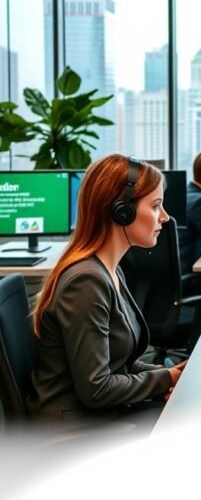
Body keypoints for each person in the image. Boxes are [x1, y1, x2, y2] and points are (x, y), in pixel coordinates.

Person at [30, 154, 186, 426]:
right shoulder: (86, 282)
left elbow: (119, 362)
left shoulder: (110, 270)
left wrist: (169, 375)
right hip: (72, 428)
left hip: (98, 414)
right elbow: (96, 388)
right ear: (121, 212)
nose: (164, 217)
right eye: (155, 206)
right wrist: (168, 378)